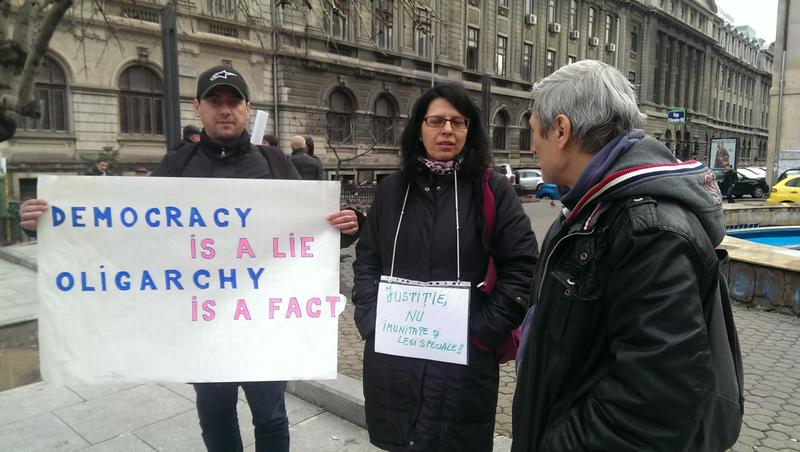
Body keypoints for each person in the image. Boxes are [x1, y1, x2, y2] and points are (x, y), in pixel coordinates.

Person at [19, 65, 361, 452]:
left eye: (234, 102)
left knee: (271, 417)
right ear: (197, 107)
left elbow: (307, 234)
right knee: (215, 417)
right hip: (202, 327)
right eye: (215, 101)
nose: (225, 110)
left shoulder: (276, 164)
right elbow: (127, 233)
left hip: (264, 324)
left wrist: (346, 227)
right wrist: (48, 225)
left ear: (248, 108)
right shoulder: (176, 166)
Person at [512, 60, 726, 451]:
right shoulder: (589, 209)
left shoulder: (648, 230)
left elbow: (654, 403)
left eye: (534, 134)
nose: (533, 147)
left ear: (561, 130)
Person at [352, 83, 538, 451]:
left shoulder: (493, 190)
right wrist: (371, 319)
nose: (447, 130)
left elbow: (523, 267)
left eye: (458, 121)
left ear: (470, 131)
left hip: (462, 366)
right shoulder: (392, 190)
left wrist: (482, 331)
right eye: (436, 120)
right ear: (419, 129)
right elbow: (368, 259)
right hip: (394, 361)